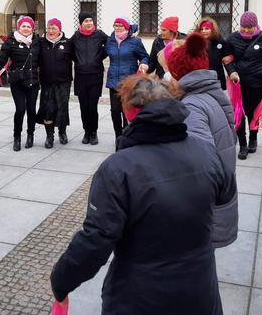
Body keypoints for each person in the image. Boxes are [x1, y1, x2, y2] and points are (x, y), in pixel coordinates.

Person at [50, 75, 235, 314]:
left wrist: (60, 281)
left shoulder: (118, 169)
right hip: (199, 287)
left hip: (139, 295)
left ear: (130, 113)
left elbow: (96, 240)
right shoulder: (206, 150)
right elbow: (225, 193)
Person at [167, 32, 238, 248]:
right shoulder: (210, 93)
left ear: (178, 72)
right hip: (216, 200)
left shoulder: (192, 106)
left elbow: (197, 164)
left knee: (193, 266)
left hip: (202, 208)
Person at [225, 11, 262, 159]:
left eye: (250, 27)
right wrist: (231, 72)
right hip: (238, 83)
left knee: (253, 112)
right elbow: (227, 59)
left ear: (256, 26)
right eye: (244, 27)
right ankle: (242, 144)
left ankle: (253, 138)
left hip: (258, 83)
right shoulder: (233, 38)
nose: (247, 30)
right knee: (239, 113)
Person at [0, 16, 40, 151]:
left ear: (32, 28)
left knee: (32, 111)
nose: (26, 29)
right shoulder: (10, 42)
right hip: (18, 82)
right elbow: (0, 61)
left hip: (33, 81)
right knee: (20, 110)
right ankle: (17, 137)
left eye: (28, 26)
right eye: (23, 26)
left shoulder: (38, 42)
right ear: (18, 27)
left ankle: (30, 135)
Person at [105, 16, 149, 138]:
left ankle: (127, 136)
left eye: (121, 25)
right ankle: (118, 137)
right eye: (116, 25)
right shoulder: (110, 40)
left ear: (126, 27)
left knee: (127, 112)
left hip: (129, 82)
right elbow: (102, 53)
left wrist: (144, 63)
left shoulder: (135, 41)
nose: (118, 28)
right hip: (113, 81)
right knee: (114, 111)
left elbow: (145, 56)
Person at [70, 12, 108, 145]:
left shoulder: (99, 34)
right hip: (81, 76)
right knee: (83, 107)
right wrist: (78, 61)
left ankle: (94, 132)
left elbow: (110, 45)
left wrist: (99, 57)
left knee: (92, 106)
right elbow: (69, 50)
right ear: (81, 23)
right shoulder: (76, 36)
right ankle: (86, 131)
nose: (89, 23)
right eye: (86, 21)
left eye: (90, 21)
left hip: (95, 75)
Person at [37, 18, 73, 148]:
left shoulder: (68, 43)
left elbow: (78, 58)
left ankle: (62, 132)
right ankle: (49, 136)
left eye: (54, 28)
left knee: (62, 108)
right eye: (49, 28)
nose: (51, 31)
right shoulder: (40, 42)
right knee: (48, 109)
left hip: (64, 82)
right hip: (46, 82)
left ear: (60, 30)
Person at [196, 17, 232, 90]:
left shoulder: (220, 42)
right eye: (202, 29)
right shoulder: (196, 43)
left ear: (212, 30)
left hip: (217, 79)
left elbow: (226, 60)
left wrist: (231, 72)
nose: (204, 31)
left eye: (207, 29)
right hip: (202, 79)